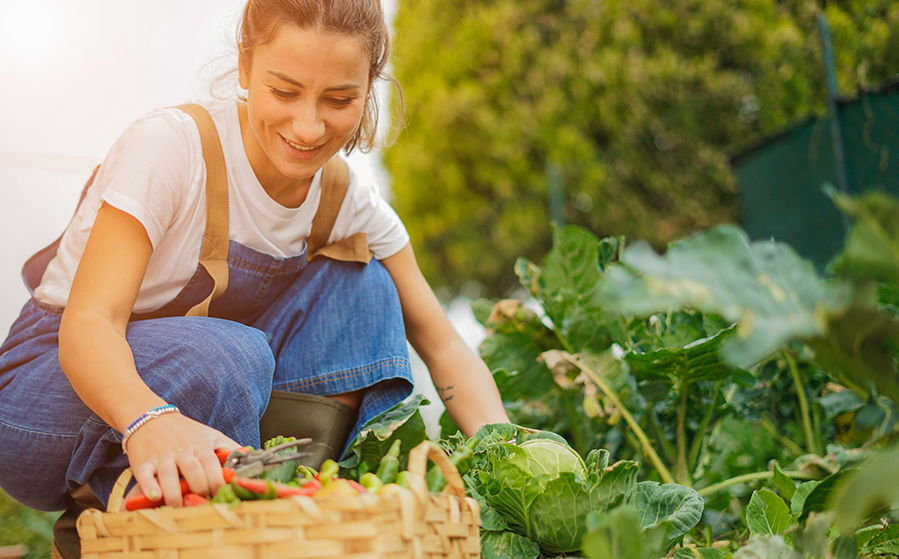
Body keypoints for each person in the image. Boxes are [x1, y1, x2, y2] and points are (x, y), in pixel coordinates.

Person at [0, 0, 509, 527]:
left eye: (338, 99)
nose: (308, 127)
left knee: (363, 285)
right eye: (284, 91)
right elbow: (88, 326)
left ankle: (293, 511)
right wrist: (148, 419)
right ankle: (116, 517)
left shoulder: (344, 202)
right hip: (42, 399)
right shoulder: (171, 149)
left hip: (207, 391)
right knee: (230, 355)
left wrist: (510, 452)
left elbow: (443, 343)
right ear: (245, 65)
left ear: (368, 89)